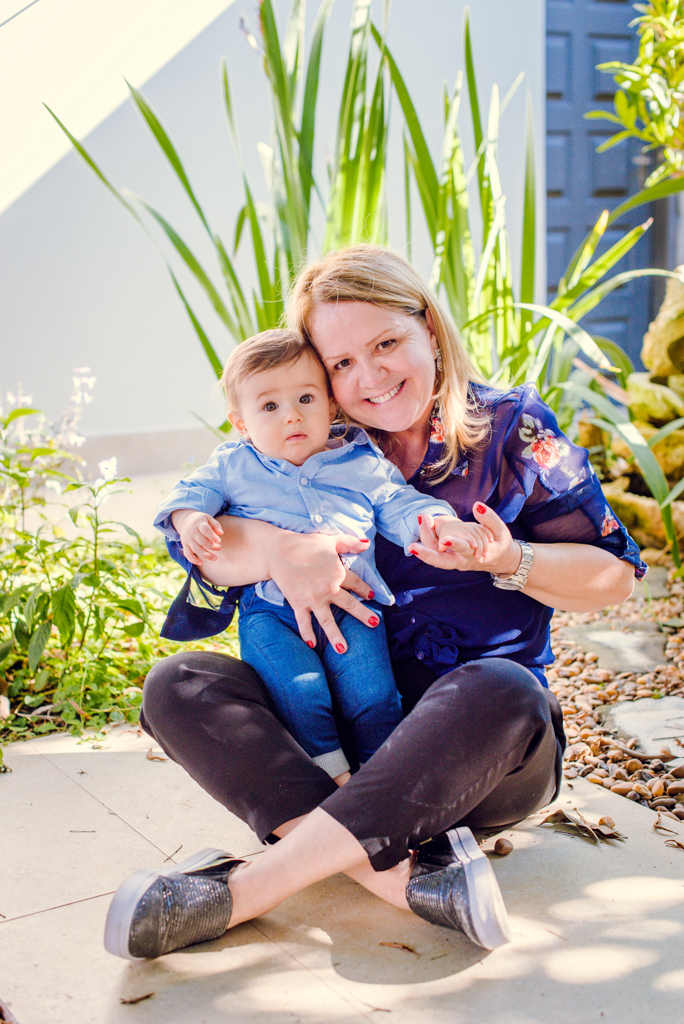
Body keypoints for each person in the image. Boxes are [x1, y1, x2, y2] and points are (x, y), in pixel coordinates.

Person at [104, 244, 645, 962]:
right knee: (178, 684)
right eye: (340, 364)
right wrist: (274, 550)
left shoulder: (514, 428)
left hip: (475, 750)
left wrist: (509, 559)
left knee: (508, 692)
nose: (371, 376)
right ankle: (405, 879)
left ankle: (244, 892)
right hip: (332, 736)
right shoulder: (295, 439)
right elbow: (208, 549)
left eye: (387, 343)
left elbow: (617, 577)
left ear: (427, 326)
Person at [153, 328, 485, 784]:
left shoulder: (360, 462)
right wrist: (190, 520)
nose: (291, 416)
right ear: (242, 422)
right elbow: (188, 495)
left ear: (330, 404)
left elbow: (400, 503)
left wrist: (439, 524)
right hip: (270, 611)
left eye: (305, 398)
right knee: (299, 693)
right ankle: (329, 779)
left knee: (371, 693)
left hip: (354, 604)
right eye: (269, 406)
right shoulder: (234, 464)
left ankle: (378, 778)